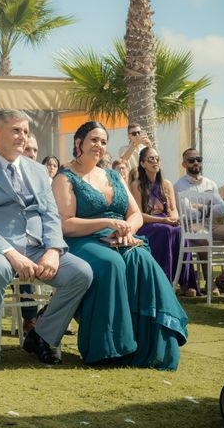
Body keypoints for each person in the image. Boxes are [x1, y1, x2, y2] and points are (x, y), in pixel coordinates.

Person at [0, 109, 93, 365]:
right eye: (16, 131)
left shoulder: (38, 171)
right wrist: (11, 253)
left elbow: (51, 213)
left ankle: (42, 335)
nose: (23, 137)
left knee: (81, 273)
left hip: (38, 248)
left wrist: (53, 249)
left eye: (26, 132)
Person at [52, 121, 188, 370]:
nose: (99, 146)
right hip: (82, 240)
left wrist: (127, 231)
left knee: (142, 261)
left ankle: (149, 348)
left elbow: (134, 214)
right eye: (94, 139)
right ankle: (110, 349)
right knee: (111, 263)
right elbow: (66, 224)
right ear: (78, 143)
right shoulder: (65, 177)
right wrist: (108, 222)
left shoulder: (114, 175)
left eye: (103, 142)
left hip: (121, 238)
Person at [129, 147, 200, 296]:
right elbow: (139, 214)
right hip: (147, 224)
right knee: (165, 230)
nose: (155, 161)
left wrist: (173, 218)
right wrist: (166, 221)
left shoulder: (166, 184)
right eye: (151, 159)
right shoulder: (136, 185)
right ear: (142, 164)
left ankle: (186, 283)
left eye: (157, 158)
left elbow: (173, 209)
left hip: (166, 221)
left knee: (180, 231)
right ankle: (164, 281)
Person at [174, 148, 224, 294]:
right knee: (203, 238)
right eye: (191, 160)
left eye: (198, 159)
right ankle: (210, 284)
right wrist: (207, 208)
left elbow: (221, 208)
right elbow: (187, 212)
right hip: (191, 226)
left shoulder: (210, 184)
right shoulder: (179, 185)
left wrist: (200, 207)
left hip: (212, 224)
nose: (196, 162)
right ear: (184, 164)